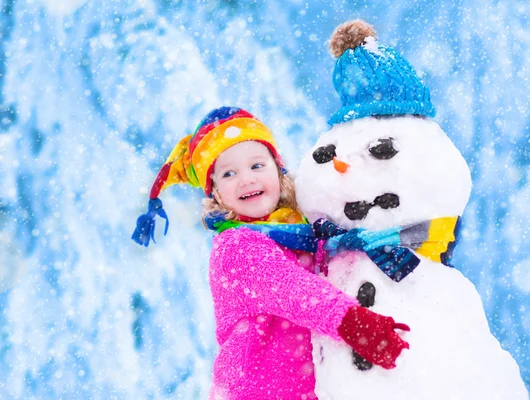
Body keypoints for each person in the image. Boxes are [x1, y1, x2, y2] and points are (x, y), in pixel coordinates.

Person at [132, 106, 410, 400]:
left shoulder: (298, 234)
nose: (247, 179)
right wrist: (355, 324)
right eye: (228, 173)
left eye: (257, 166)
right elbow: (295, 291)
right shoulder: (237, 247)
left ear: (279, 171)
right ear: (215, 193)